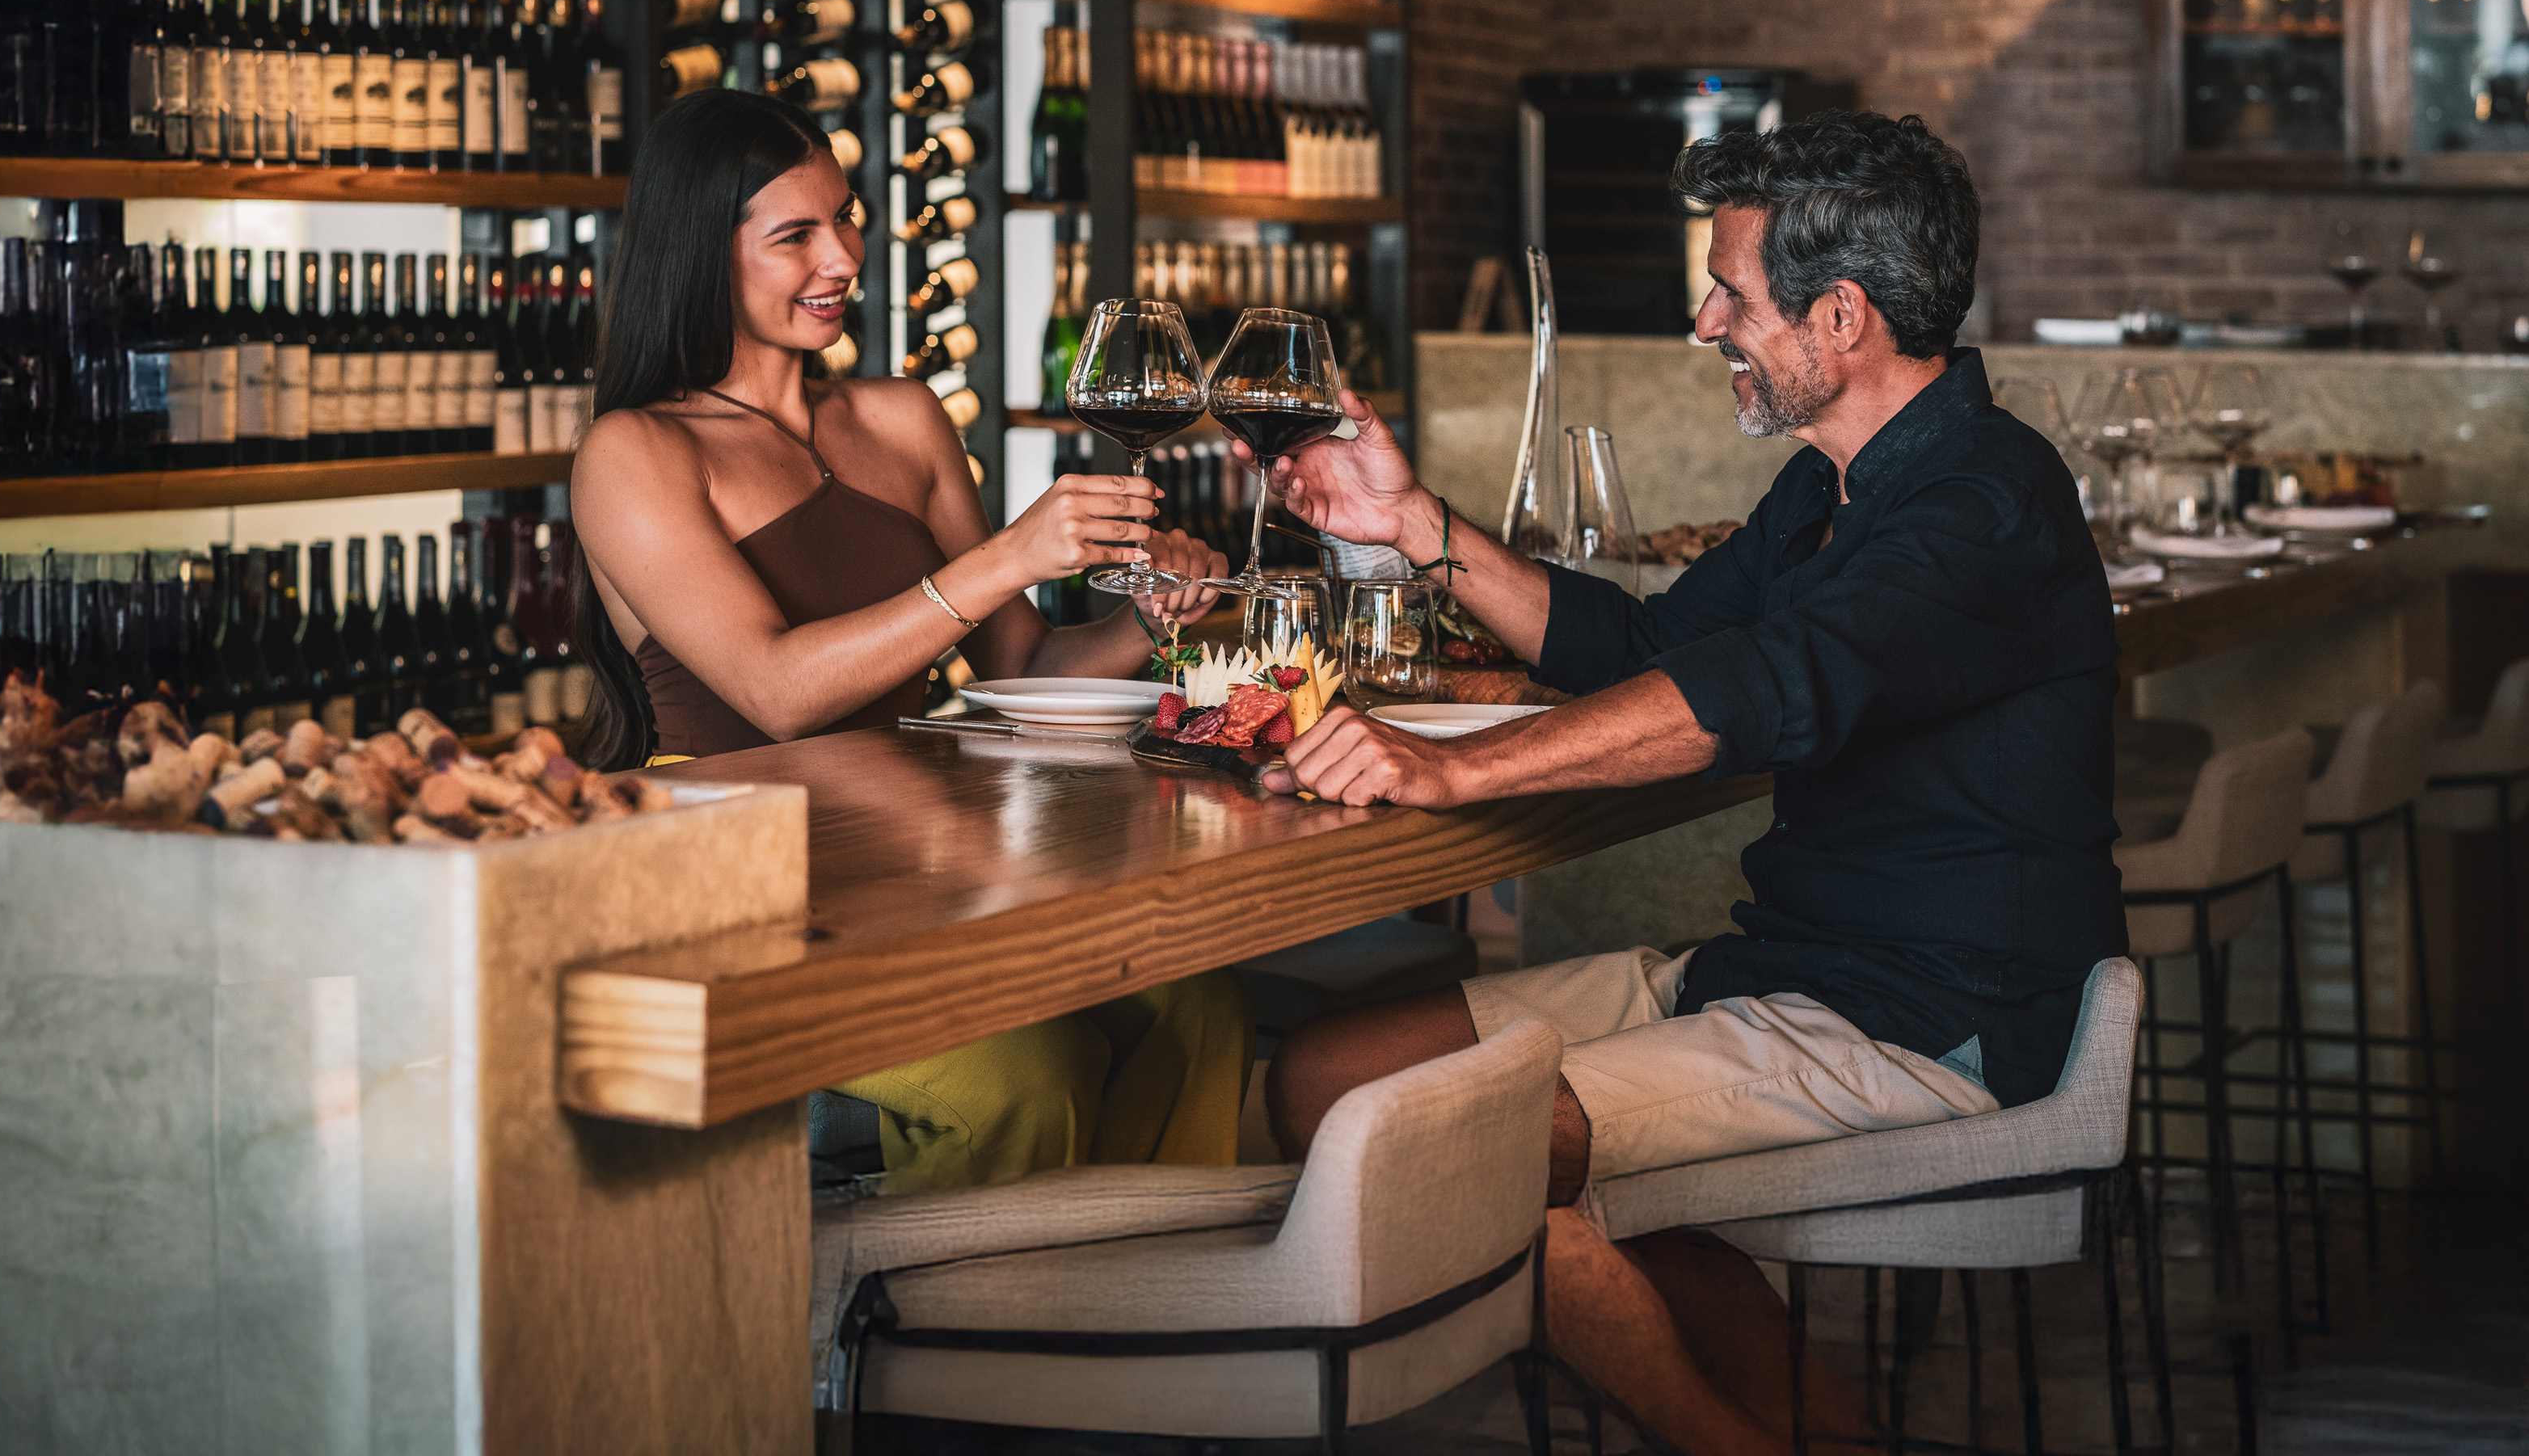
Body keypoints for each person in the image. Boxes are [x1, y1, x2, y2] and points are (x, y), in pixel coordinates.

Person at [1252, 112, 2123, 1455]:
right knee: (1325, 1077)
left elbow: (1765, 690)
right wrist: (1411, 524)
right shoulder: (1824, 490)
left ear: (1842, 316)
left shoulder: (1985, 499)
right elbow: (1647, 646)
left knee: (1447, 1155)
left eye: (1732, 293)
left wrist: (1456, 769)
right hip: (1781, 972)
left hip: (1934, 1018)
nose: (1706, 322)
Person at [567, 88, 1247, 1195]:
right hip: (736, 874)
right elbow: (776, 691)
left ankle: (1139, 1286)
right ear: (702, 252)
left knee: (1200, 1008)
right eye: (794, 235)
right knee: (1025, 1074)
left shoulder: (901, 417)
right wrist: (1005, 557)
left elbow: (1023, 669)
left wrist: (1149, 617)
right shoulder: (635, 452)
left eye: (846, 218)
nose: (843, 258)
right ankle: (962, 1307)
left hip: (905, 842)